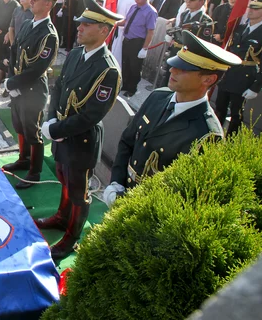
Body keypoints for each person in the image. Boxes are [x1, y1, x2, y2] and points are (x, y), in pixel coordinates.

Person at [104, 30, 242, 206]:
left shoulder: (208, 134)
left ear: (208, 79)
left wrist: (129, 205)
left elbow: (183, 195)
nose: (172, 70)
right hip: (122, 193)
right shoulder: (158, 97)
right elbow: (128, 140)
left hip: (147, 215)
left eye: (184, 69)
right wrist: (116, 182)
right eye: (175, 64)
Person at [36, 0, 122, 260]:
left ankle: (72, 237)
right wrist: (51, 120)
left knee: (78, 190)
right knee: (62, 176)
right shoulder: (75, 54)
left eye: (87, 24)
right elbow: (59, 87)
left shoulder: (108, 70)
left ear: (105, 31)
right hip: (61, 131)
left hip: (81, 139)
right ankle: (62, 217)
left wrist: (56, 130)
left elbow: (90, 116)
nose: (79, 27)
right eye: (81, 23)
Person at [1, 0, 60, 189]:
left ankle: (34, 171)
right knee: (19, 124)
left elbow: (37, 68)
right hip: (17, 87)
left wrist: (15, 83)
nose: (31, 1)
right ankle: (23, 158)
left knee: (32, 130)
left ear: (48, 4)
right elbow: (14, 51)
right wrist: (10, 80)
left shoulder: (49, 34)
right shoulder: (27, 23)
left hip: (33, 90)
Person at [215, 0, 262, 135]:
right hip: (229, 73)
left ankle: (230, 140)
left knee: (236, 114)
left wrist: (255, 88)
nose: (250, 10)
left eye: (256, 8)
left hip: (245, 77)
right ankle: (214, 136)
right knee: (219, 107)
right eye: (251, 7)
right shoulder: (240, 27)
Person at [161, 0, 215, 86]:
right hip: (176, 51)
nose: (188, 1)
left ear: (201, 2)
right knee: (168, 76)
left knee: (180, 81)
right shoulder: (184, 14)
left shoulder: (205, 21)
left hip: (188, 56)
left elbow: (203, 44)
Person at [115, 0, 158, 97]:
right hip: (127, 39)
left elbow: (150, 31)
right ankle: (124, 84)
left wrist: (144, 48)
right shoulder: (134, 7)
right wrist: (115, 23)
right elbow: (126, 21)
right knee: (125, 63)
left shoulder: (150, 12)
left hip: (137, 42)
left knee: (135, 66)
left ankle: (132, 88)